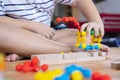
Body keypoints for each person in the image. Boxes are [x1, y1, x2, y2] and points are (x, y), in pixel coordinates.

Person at [0, 0, 109, 62]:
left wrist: (96, 21)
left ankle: (25, 51)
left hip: (48, 36)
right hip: (17, 35)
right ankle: (70, 48)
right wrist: (31, 26)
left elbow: (79, 1)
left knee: (83, 36)